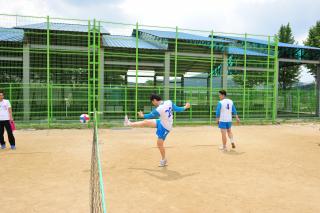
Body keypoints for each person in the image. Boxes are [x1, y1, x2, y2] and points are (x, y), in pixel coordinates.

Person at [124, 94, 190, 167]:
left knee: (159, 144)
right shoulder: (168, 102)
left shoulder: (159, 109)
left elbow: (150, 115)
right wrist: (185, 107)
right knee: (146, 122)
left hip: (165, 127)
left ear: (155, 100)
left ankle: (164, 159)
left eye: (152, 102)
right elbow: (177, 109)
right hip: (161, 121)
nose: (153, 103)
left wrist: (142, 115)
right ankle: (128, 123)